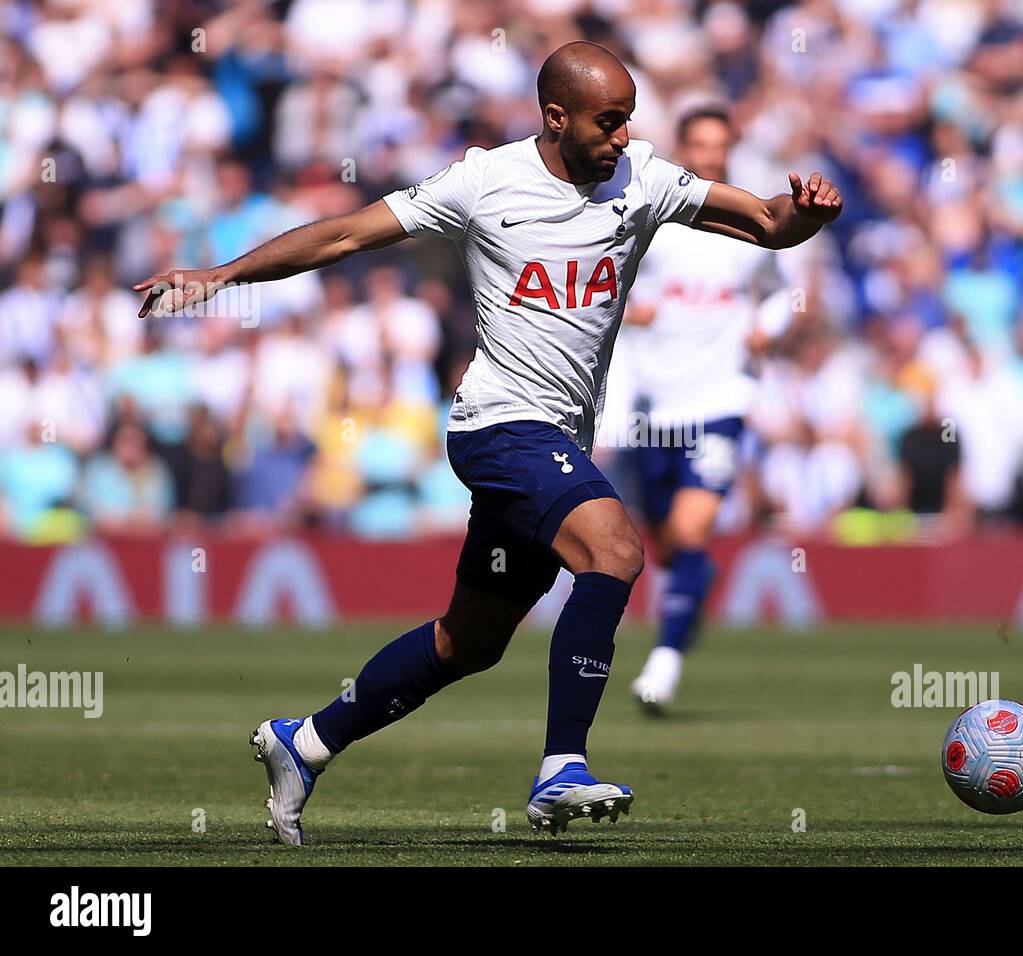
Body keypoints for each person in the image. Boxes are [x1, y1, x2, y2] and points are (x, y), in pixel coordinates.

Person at [135, 41, 842, 844]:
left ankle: (307, 741)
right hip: (498, 424)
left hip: (558, 436)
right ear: (556, 117)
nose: (621, 136)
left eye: (628, 120)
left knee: (468, 642)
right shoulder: (484, 181)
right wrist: (219, 279)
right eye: (608, 122)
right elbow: (342, 237)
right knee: (614, 551)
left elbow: (762, 223)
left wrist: (806, 218)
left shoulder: (641, 178)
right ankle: (560, 769)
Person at [618, 105, 793, 712]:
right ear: (683, 146)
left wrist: (767, 327)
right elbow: (610, 278)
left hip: (719, 400)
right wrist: (628, 308)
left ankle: (662, 667)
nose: (712, 156)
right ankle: (692, 590)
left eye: (721, 145)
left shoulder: (745, 224)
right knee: (666, 549)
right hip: (653, 406)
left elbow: (781, 293)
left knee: (692, 531)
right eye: (701, 144)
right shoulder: (652, 215)